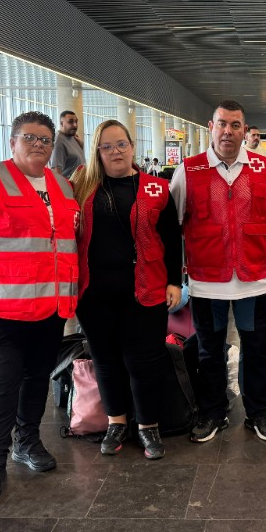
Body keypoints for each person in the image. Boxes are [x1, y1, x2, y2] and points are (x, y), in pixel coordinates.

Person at [0, 111, 79, 499]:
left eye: (44, 139)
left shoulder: (62, 186)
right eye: (29, 137)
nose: (38, 145)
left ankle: (27, 442)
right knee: (0, 385)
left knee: (37, 379)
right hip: (0, 311)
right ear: (12, 142)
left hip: (50, 309)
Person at [170, 100, 266, 443]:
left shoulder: (264, 169)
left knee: (257, 349)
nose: (228, 132)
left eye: (236, 125)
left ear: (245, 130)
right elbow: (173, 225)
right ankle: (212, 412)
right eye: (222, 124)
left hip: (253, 281)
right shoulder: (188, 171)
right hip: (207, 282)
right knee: (209, 351)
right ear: (211, 126)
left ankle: (257, 412)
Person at [71, 119, 182, 460]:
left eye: (121, 144)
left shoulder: (156, 188)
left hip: (145, 290)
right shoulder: (82, 188)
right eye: (107, 146)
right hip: (94, 293)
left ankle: (148, 426)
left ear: (133, 147)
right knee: (104, 359)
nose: (115, 151)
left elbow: (171, 238)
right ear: (97, 152)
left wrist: (174, 281)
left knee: (143, 360)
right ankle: (116, 421)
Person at [50, 110, 85, 178]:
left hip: (80, 185)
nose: (75, 125)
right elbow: (56, 173)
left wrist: (81, 146)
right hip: (69, 186)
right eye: (71, 122)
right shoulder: (58, 142)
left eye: (76, 121)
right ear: (61, 123)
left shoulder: (73, 137)